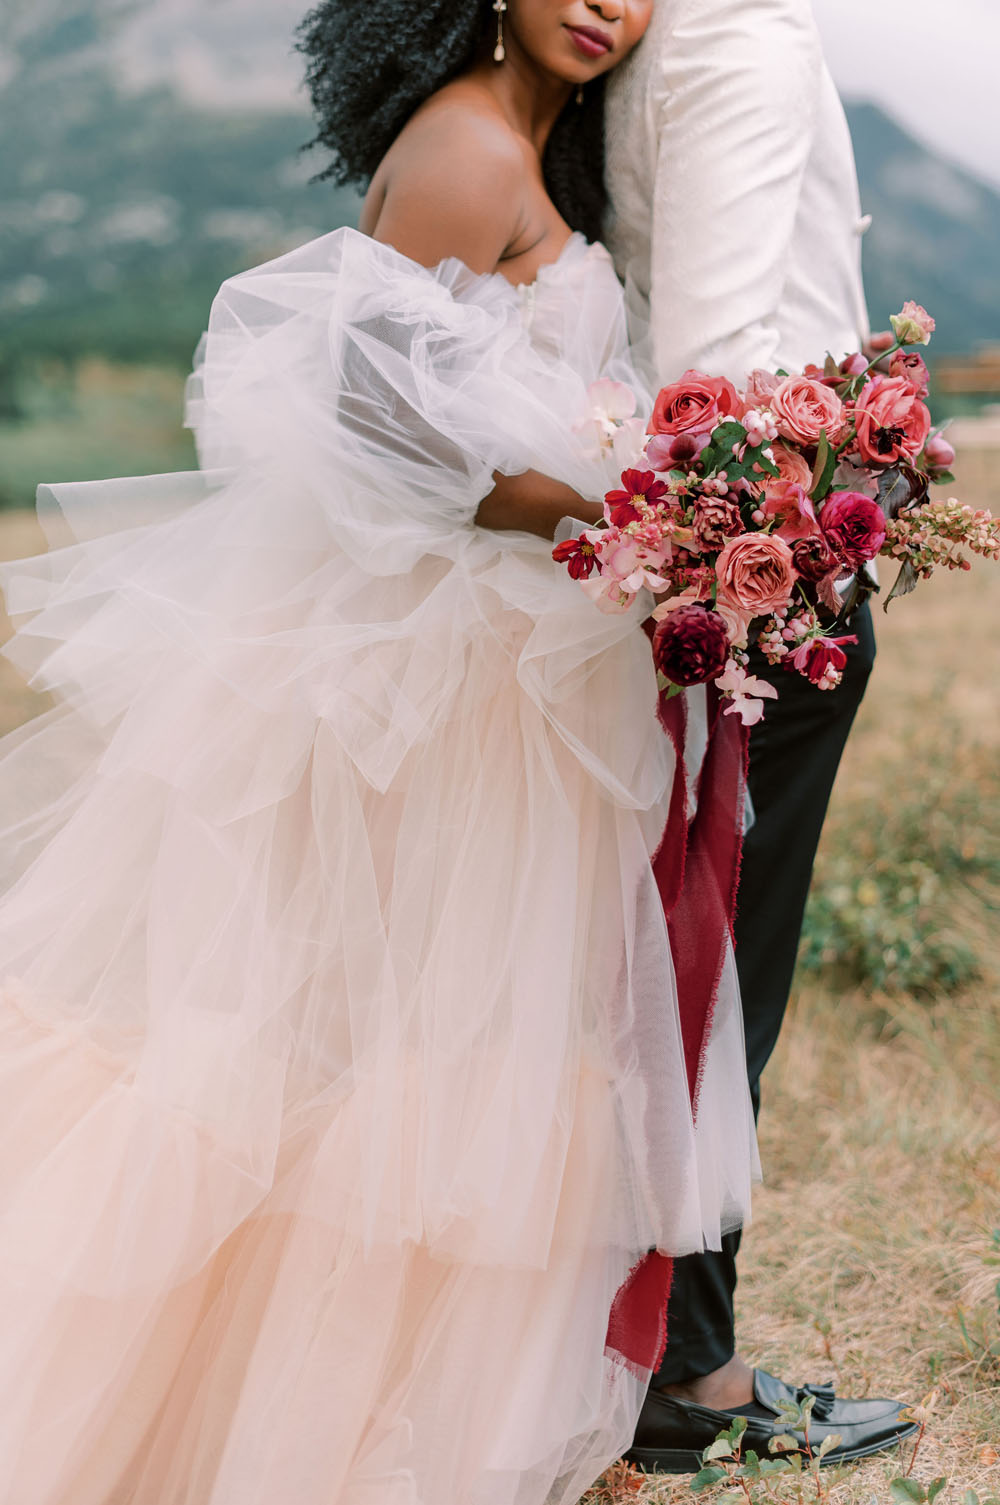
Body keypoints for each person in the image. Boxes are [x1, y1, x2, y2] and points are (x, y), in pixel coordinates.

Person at [0, 3, 761, 1501]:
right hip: (440, 667)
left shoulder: (541, 154)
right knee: (382, 1047)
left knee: (479, 1052)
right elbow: (368, 418)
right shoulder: (467, 146)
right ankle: (305, 1423)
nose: (606, 2)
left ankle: (480, 1414)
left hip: (523, 668)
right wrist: (616, 521)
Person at [604, 0, 916, 1472]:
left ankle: (663, 1355)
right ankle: (689, 1382)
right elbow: (721, 377)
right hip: (766, 614)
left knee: (689, 980)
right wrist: (859, 505)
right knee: (725, 994)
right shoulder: (736, 37)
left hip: (722, 604)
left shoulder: (670, 41)